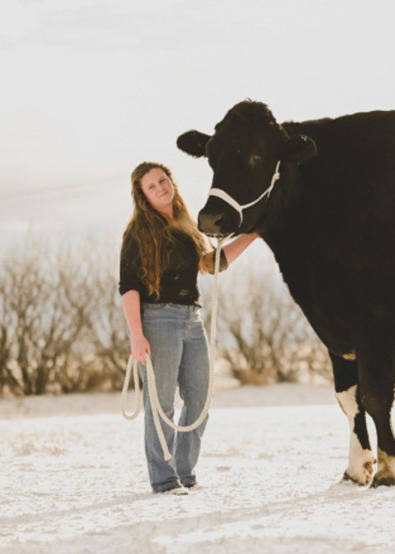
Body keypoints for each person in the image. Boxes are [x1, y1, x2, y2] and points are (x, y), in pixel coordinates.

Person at [119, 161, 257, 495]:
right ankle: (164, 479)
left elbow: (211, 264)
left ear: (171, 182)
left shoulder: (185, 224)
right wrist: (137, 335)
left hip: (192, 319)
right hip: (158, 319)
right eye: (152, 187)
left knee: (200, 399)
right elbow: (129, 287)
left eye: (163, 181)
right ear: (143, 196)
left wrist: (253, 234)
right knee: (162, 403)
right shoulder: (138, 232)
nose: (160, 188)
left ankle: (184, 471)